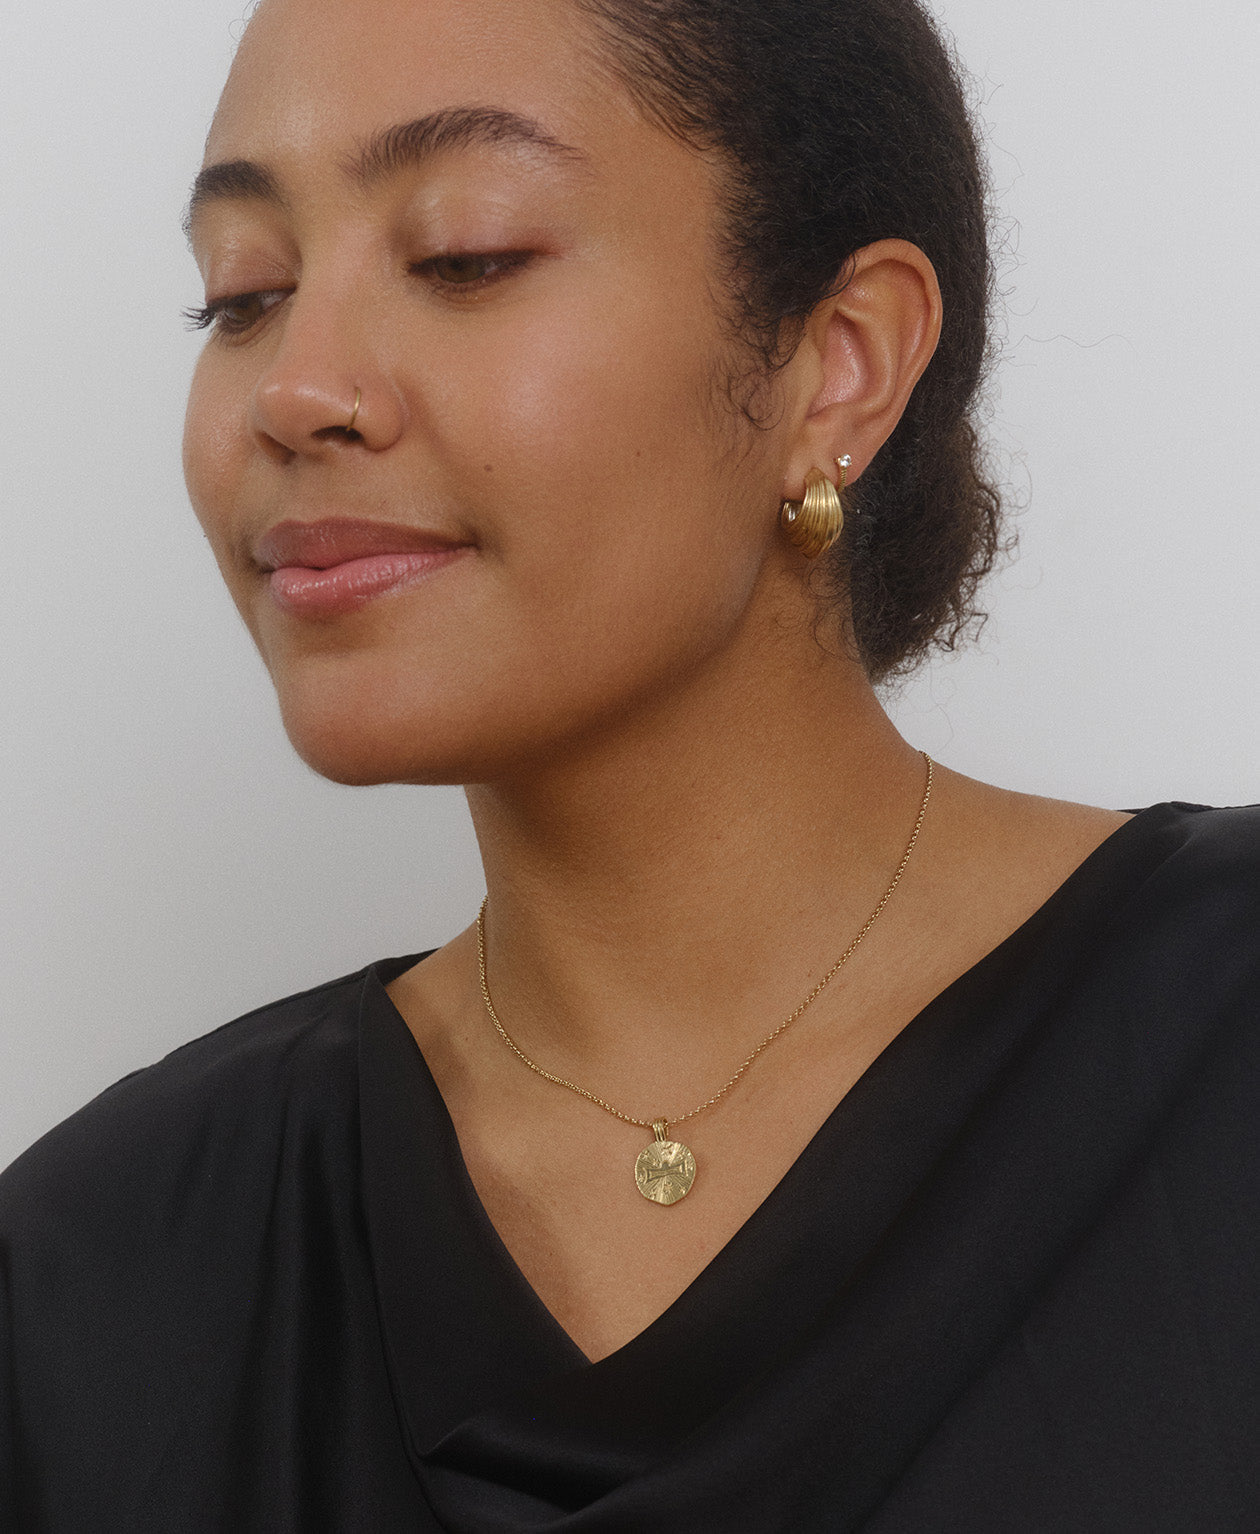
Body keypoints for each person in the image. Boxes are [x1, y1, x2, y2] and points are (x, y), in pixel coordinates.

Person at [2, 0, 1256, 1527]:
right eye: (243, 294)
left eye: (464, 255)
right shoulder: (96, 1281)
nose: (294, 387)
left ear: (839, 363)